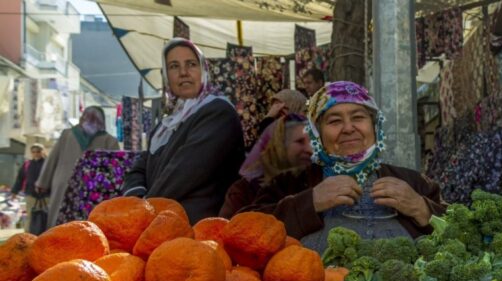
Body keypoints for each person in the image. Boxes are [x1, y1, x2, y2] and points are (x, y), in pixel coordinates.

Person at [239, 81, 446, 252]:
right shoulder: (289, 183)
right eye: (334, 121)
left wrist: (422, 209)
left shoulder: (413, 182)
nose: (348, 128)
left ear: (374, 126)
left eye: (358, 118)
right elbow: (244, 232)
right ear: (317, 133)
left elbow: (464, 234)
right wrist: (309, 203)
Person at [122, 38, 245, 224]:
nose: (183, 73)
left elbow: (182, 174)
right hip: (162, 225)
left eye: (191, 64)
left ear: (204, 70)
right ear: (166, 77)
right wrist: (137, 199)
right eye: (173, 66)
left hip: (198, 231)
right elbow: (138, 170)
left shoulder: (217, 112)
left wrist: (143, 212)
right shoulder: (166, 124)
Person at [36, 106, 119, 228]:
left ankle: (56, 243)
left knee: (59, 221)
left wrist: (42, 182)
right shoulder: (109, 140)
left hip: (64, 183)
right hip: (93, 187)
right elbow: (116, 168)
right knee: (88, 225)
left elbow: (52, 158)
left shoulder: (67, 135)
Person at [220, 113, 313, 218]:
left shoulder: (315, 180)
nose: (310, 150)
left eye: (313, 142)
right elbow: (226, 230)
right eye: (300, 141)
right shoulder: (244, 191)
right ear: (278, 145)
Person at [11, 144, 47, 232]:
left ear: (42, 152)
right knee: (30, 216)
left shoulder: (47, 163)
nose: (36, 154)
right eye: (33, 152)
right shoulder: (27, 164)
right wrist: (14, 192)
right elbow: (20, 178)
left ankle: (46, 234)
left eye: (38, 151)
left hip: (46, 195)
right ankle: (28, 234)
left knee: (47, 215)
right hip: (31, 194)